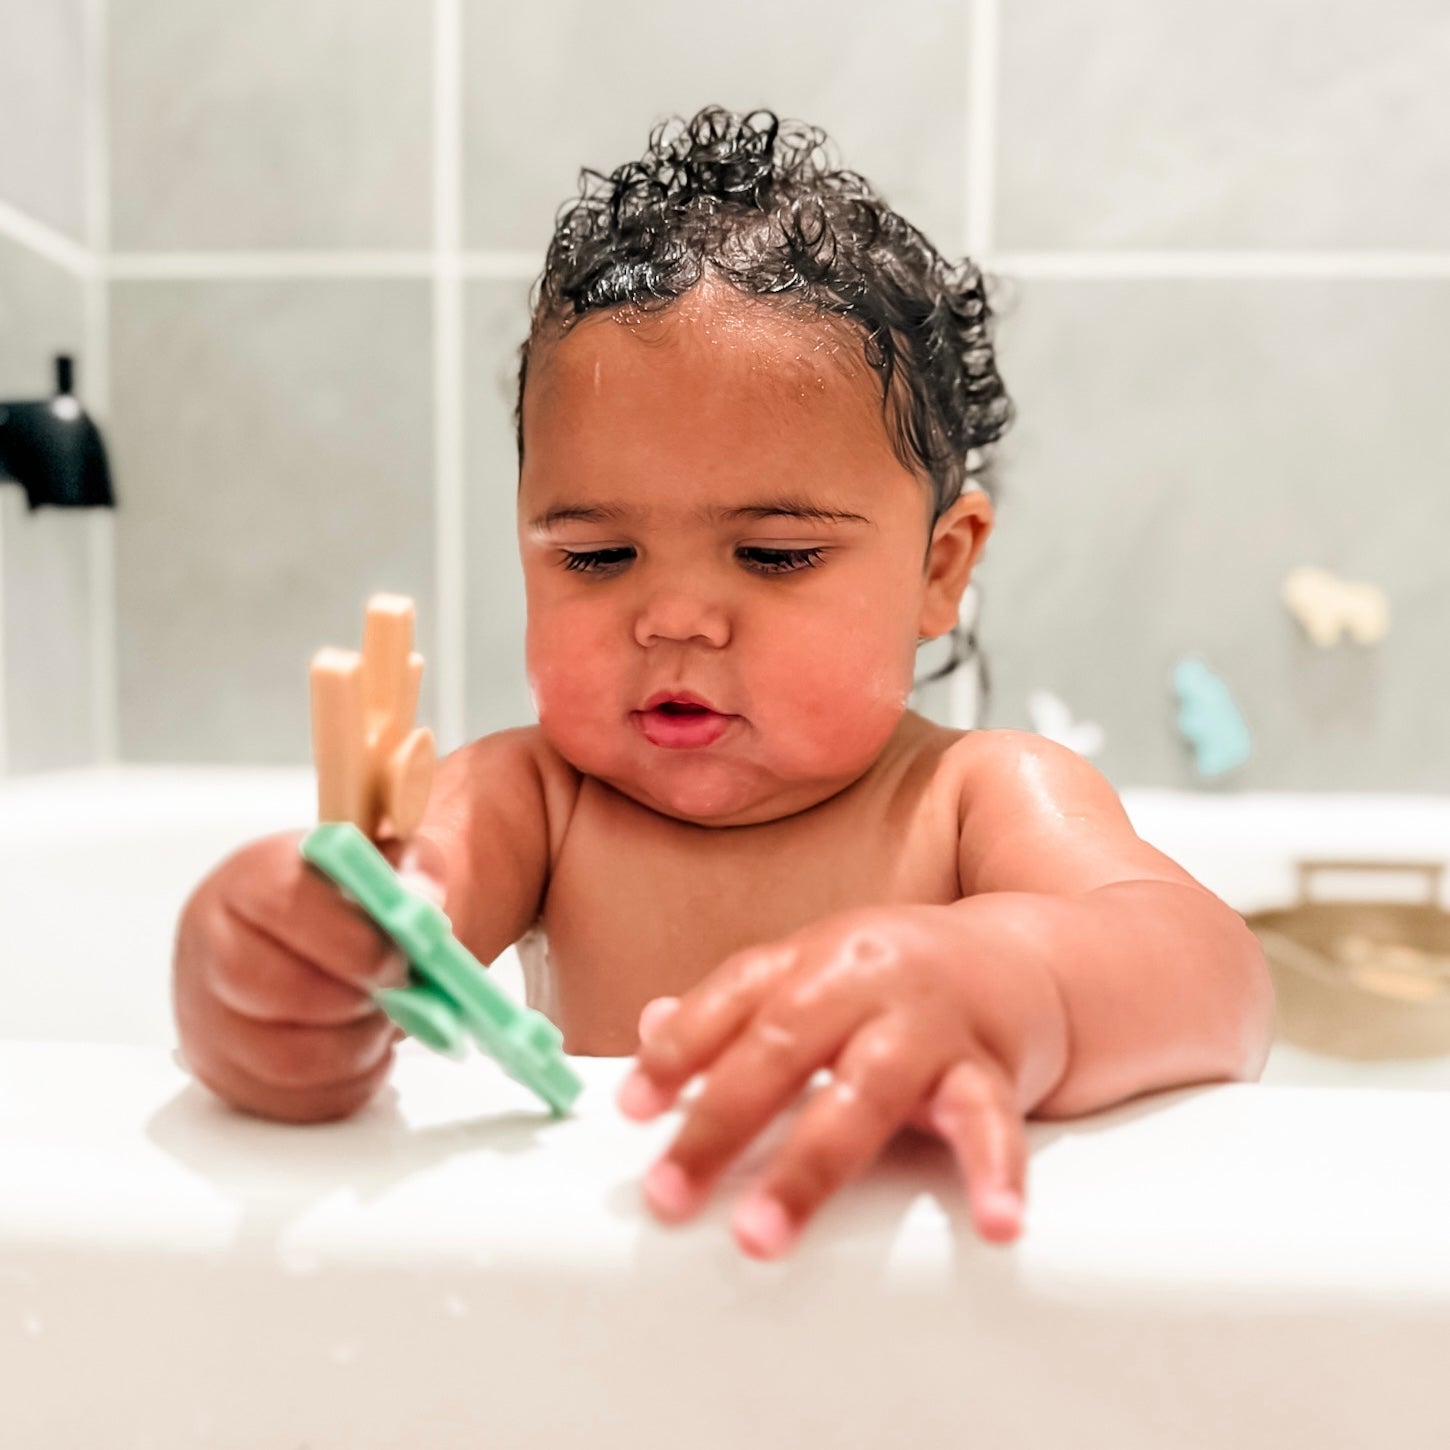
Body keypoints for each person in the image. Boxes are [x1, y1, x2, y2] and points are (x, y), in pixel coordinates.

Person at [173, 106, 1273, 1262]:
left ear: (938, 569)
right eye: (595, 555)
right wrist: (271, 981)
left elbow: (1219, 981)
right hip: (603, 1300)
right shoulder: (532, 801)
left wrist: (1012, 986)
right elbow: (401, 909)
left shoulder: (976, 799)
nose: (674, 617)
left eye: (775, 553)